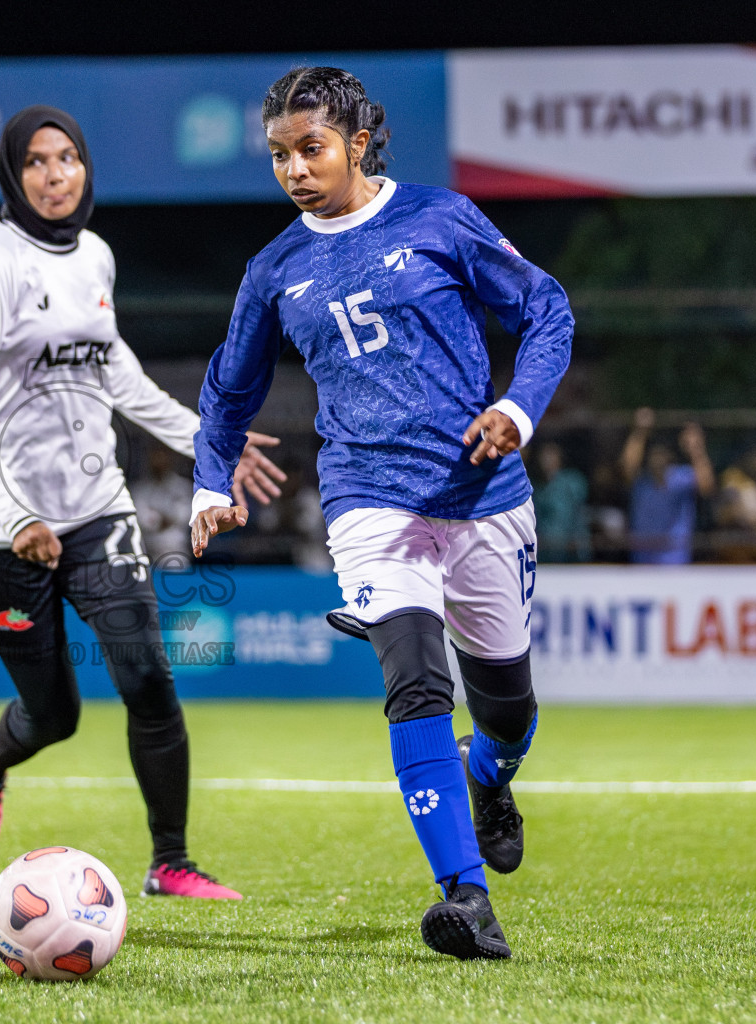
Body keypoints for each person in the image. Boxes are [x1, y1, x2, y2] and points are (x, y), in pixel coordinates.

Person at [190, 68, 573, 958]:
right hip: (368, 501)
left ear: (359, 144)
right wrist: (215, 482)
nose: (294, 168)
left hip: (485, 500)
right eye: (280, 154)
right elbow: (229, 388)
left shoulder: (440, 218)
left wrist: (517, 410)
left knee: (509, 710)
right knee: (414, 678)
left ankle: (491, 774)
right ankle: (466, 901)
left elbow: (546, 307)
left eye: (311, 148)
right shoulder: (275, 269)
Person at [0, 105, 285, 900]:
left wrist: (206, 438)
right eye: (36, 162)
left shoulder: (94, 255)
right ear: (12, 175)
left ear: (86, 168)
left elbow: (113, 368)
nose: (55, 176)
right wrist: (15, 515)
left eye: (68, 159)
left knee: (147, 680)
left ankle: (171, 863)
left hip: (93, 510)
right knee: (55, 716)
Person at [620, 409, 714, 564]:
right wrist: (640, 432)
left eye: (662, 454)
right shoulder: (641, 481)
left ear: (670, 456)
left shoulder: (681, 477)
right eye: (654, 454)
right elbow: (626, 468)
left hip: (676, 560)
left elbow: (707, 487)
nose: (658, 458)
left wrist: (696, 448)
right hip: (642, 561)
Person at [532, 440, 590, 563]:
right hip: (544, 553)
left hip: (571, 551)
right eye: (544, 456)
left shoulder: (573, 481)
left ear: (559, 457)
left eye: (551, 455)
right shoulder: (534, 488)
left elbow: (578, 514)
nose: (546, 460)